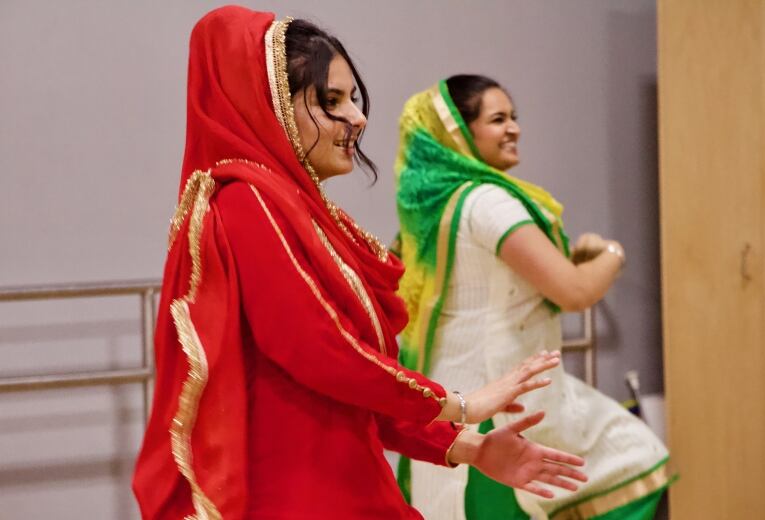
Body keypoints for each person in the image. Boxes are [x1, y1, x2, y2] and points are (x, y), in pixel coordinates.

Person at [132, 9, 588, 519]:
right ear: (269, 105)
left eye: (353, 98)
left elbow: (352, 390)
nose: (358, 117)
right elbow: (321, 352)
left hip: (345, 483)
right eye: (331, 101)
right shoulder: (248, 202)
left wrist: (468, 447)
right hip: (297, 496)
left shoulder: (300, 210)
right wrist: (459, 404)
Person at [395, 75, 671, 520]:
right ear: (459, 133)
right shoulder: (488, 202)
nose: (514, 129)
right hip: (496, 401)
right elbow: (575, 292)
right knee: (636, 458)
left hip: (458, 394)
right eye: (498, 119)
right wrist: (612, 254)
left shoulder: (439, 206)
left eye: (515, 118)